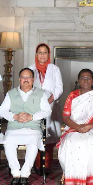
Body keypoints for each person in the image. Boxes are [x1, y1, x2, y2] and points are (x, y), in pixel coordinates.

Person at [0, 68, 52, 185]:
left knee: (33, 142)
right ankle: (16, 173)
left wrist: (31, 117)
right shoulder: (11, 94)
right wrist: (15, 116)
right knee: (8, 142)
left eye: (28, 77)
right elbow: (1, 111)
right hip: (14, 128)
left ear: (33, 79)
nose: (26, 80)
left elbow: (47, 111)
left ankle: (25, 174)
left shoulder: (41, 93)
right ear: (19, 79)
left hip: (33, 127)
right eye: (23, 77)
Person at [29, 43, 63, 171]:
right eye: (40, 52)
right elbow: (25, 87)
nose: (42, 55)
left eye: (45, 52)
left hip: (51, 105)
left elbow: (59, 88)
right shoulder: (30, 69)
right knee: (36, 133)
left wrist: (48, 100)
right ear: (36, 54)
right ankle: (37, 164)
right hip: (34, 105)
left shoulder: (54, 69)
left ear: (48, 55)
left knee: (49, 135)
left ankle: (46, 164)